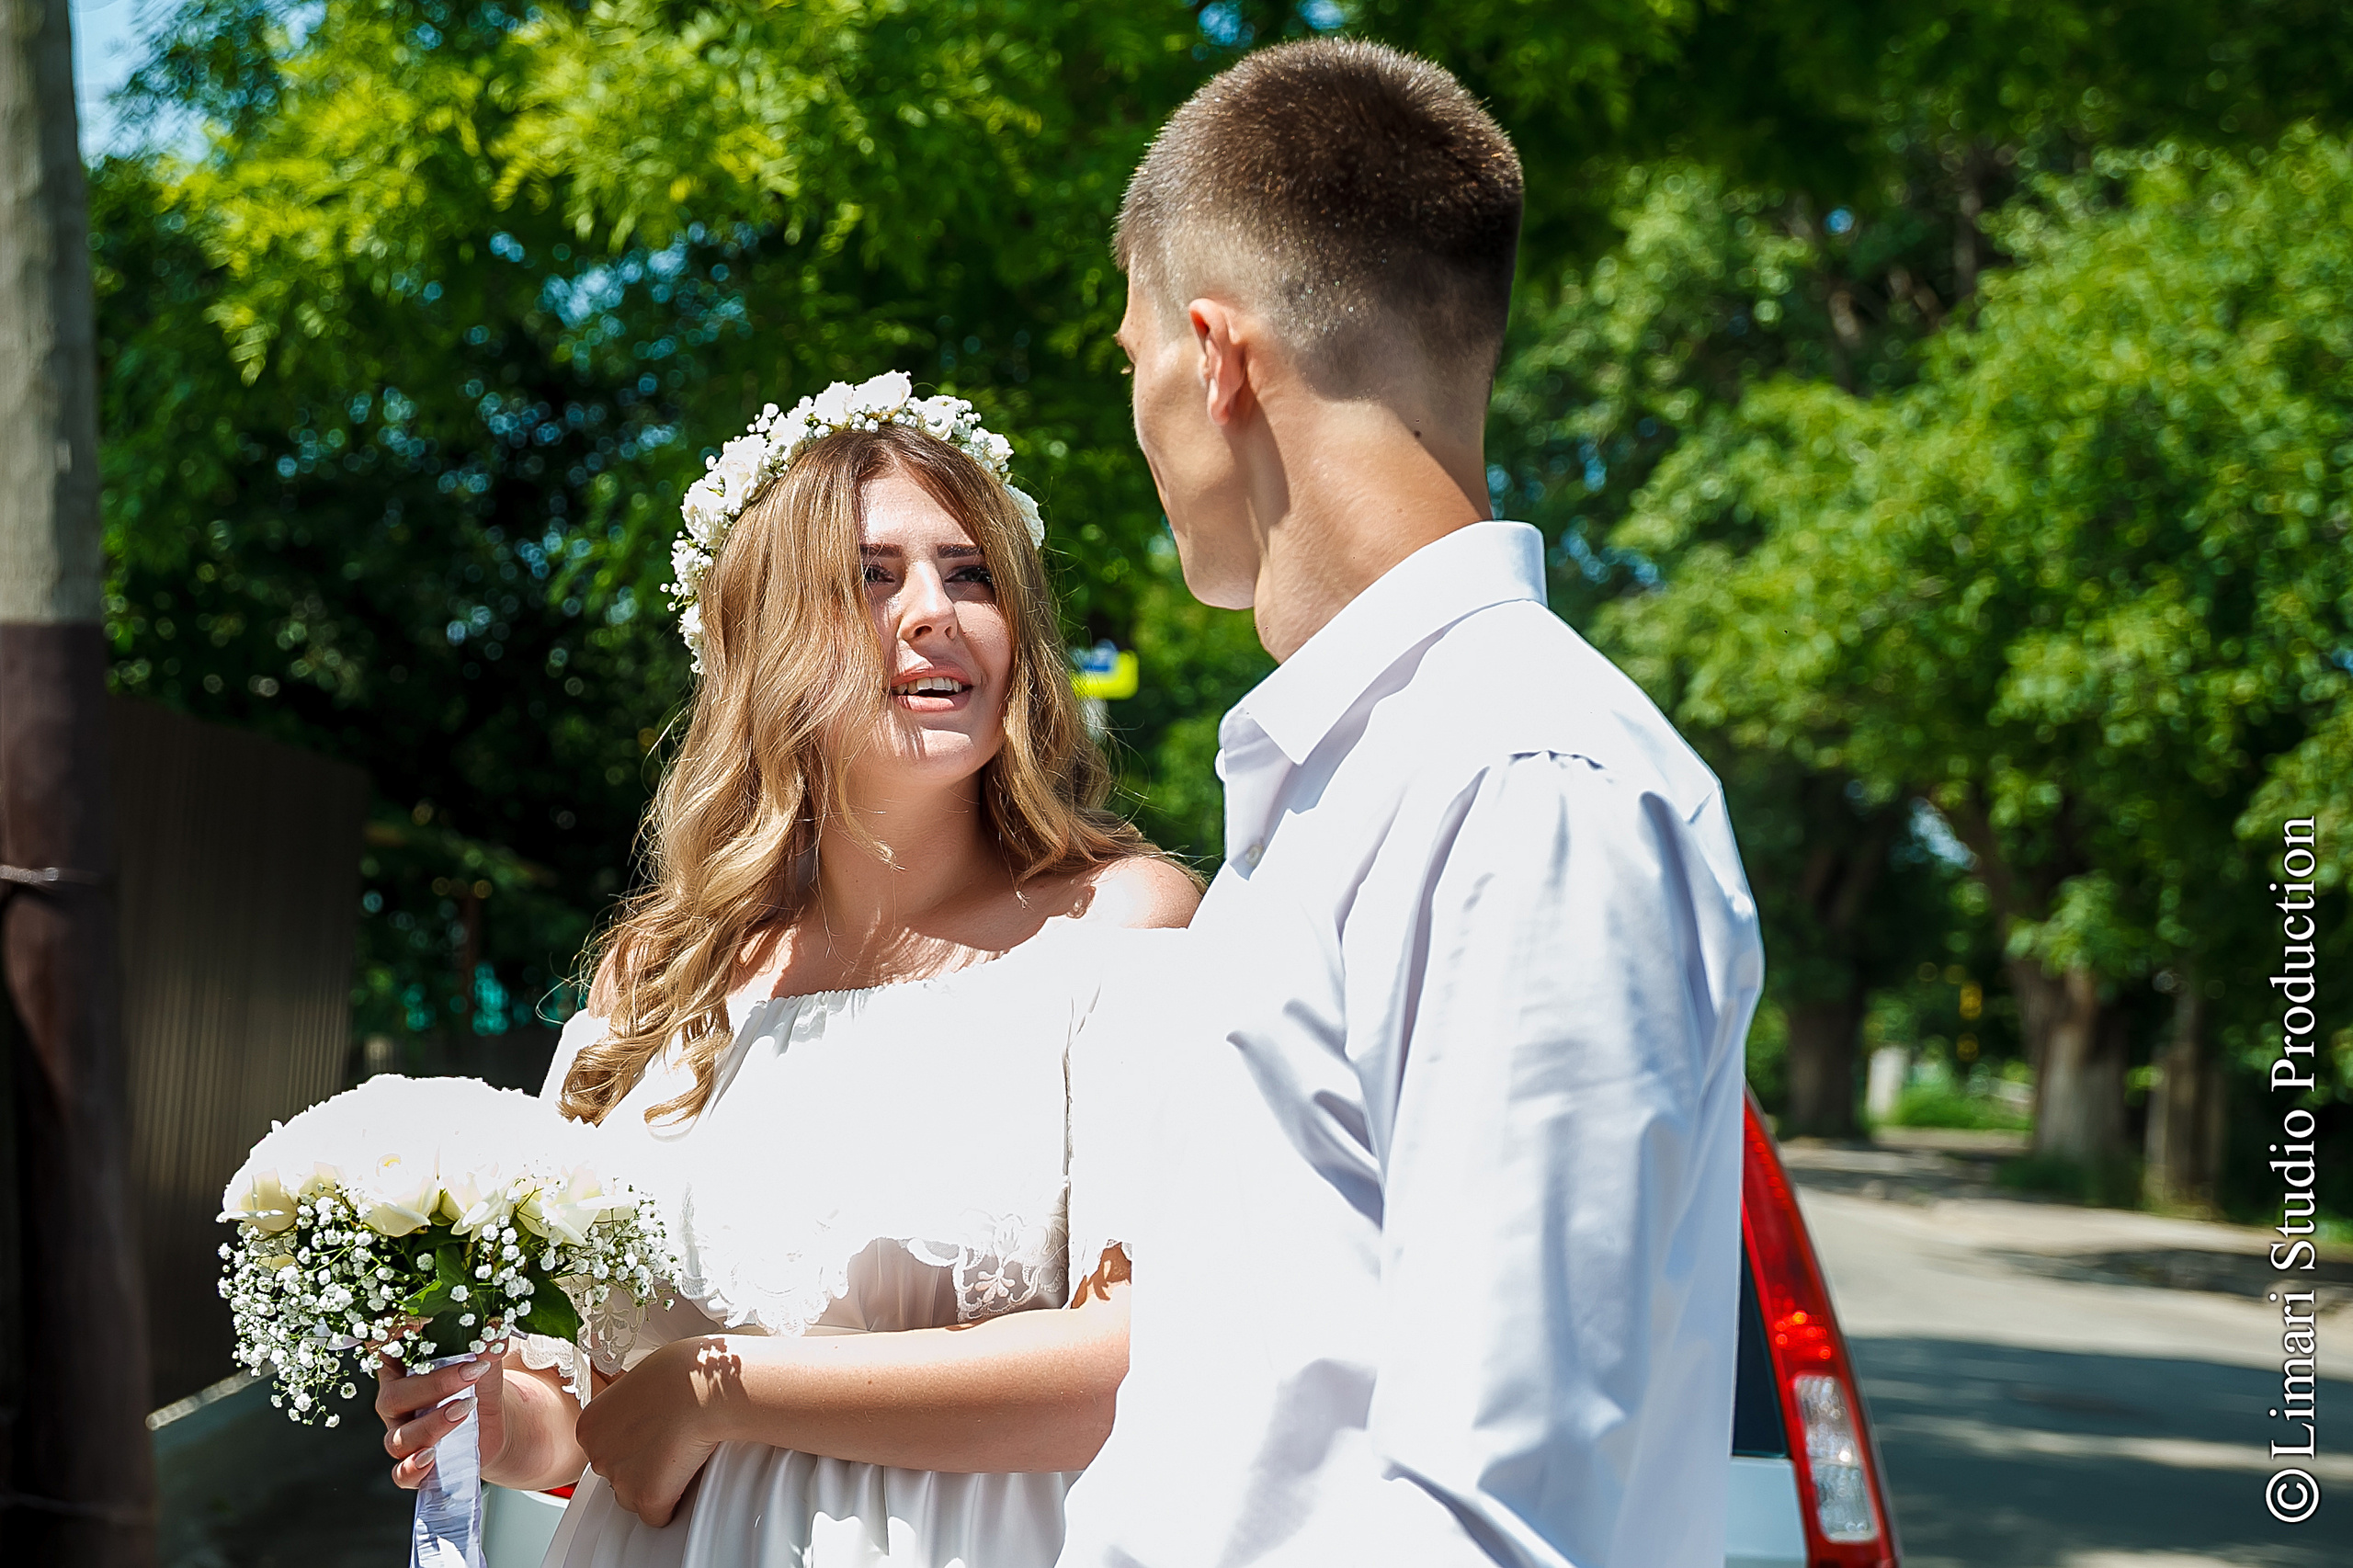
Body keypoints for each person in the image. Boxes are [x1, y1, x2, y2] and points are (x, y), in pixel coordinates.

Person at [1057, 40, 1765, 1568]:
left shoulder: (1523, 787)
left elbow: (1493, 1516)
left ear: (1214, 355)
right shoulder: (1343, 789)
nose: (1141, 424)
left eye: (1129, 366)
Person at [374, 373, 1198, 1568]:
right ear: (766, 638)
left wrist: (724, 1390)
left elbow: (1136, 1361)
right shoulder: (651, 984)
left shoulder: (1118, 929)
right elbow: (591, 1407)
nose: (935, 611)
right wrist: (494, 1421)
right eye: (875, 576)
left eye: (972, 575)